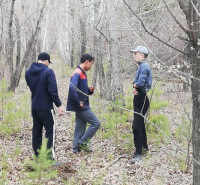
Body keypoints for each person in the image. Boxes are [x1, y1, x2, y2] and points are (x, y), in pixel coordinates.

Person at [25, 52, 63, 162]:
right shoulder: (48, 72)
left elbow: (32, 87)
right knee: (50, 130)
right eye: (48, 62)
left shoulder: (28, 72)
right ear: (46, 61)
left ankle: (37, 154)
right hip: (46, 107)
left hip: (35, 106)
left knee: (37, 129)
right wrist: (59, 105)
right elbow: (52, 91)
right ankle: (49, 158)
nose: (48, 64)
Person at [66, 53, 100, 153]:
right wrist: (78, 102)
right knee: (96, 123)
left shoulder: (81, 72)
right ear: (86, 62)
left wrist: (89, 90)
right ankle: (82, 143)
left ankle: (76, 148)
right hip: (81, 105)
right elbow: (72, 88)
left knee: (80, 126)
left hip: (80, 104)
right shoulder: (77, 72)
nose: (91, 66)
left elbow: (80, 89)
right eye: (91, 63)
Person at [130, 46, 152, 162]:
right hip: (139, 97)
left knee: (136, 126)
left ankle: (138, 153)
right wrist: (135, 87)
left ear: (142, 55)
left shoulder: (144, 66)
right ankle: (144, 148)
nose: (134, 55)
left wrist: (135, 86)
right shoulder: (142, 66)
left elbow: (140, 82)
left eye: (136, 53)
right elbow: (136, 82)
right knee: (140, 124)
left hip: (142, 99)